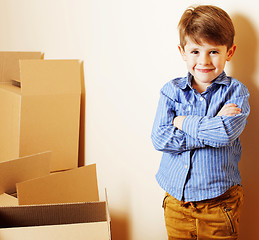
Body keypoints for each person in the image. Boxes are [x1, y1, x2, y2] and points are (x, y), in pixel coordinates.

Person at [151, 5, 250, 240]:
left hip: (219, 204)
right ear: (182, 51)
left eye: (213, 51)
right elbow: (160, 138)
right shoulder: (171, 92)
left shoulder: (237, 93)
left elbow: (225, 134)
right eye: (195, 51)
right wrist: (212, 124)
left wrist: (183, 122)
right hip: (177, 204)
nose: (204, 60)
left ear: (230, 51)